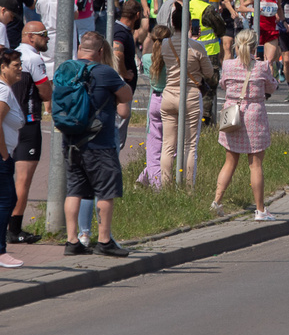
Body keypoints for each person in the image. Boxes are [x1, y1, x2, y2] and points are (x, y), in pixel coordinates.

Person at [62, 32, 132, 257]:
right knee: (105, 191)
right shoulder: (105, 72)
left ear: (81, 48)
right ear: (101, 51)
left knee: (75, 190)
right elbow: (127, 95)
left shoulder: (65, 69)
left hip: (71, 141)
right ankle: (104, 241)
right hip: (99, 142)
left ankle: (72, 241)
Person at [211, 29, 279, 221]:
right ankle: (260, 210)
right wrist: (270, 72)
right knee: (255, 164)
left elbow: (223, 84)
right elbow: (272, 87)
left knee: (230, 160)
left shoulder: (228, 64)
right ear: (254, 45)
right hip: (254, 114)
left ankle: (216, 202)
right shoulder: (262, 66)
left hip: (232, 112)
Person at [160, 5, 215, 186]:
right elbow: (208, 73)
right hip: (190, 95)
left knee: (167, 145)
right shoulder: (196, 46)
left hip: (168, 94)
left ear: (172, 23)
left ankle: (165, 187)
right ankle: (189, 188)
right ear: (190, 24)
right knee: (190, 146)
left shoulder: (165, 44)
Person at [6, 23, 51, 244]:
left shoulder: (10, 57)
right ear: (31, 37)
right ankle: (14, 229)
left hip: (8, 123)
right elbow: (45, 92)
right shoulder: (34, 60)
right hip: (29, 123)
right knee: (23, 180)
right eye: (44, 35)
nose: (48, 39)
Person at [0, 49, 25, 267]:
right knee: (7, 201)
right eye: (16, 65)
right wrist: (4, 154)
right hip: (1, 157)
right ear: (3, 68)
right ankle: (0, 252)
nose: (20, 69)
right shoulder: (4, 92)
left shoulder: (6, 90)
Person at [137, 25, 170, 188]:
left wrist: (149, 37)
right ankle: (157, 187)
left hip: (155, 101)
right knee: (170, 147)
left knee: (154, 149)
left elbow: (144, 55)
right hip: (170, 100)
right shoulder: (173, 60)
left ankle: (143, 178)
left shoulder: (147, 58)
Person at [189, 0, 225, 124]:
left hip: (189, 51)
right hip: (208, 53)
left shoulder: (186, 5)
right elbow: (221, 28)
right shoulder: (207, 9)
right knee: (208, 88)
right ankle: (205, 121)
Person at [112, 0, 142, 149]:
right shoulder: (120, 31)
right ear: (137, 15)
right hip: (121, 87)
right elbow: (117, 53)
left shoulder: (120, 30)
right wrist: (124, 73)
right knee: (118, 130)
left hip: (122, 87)